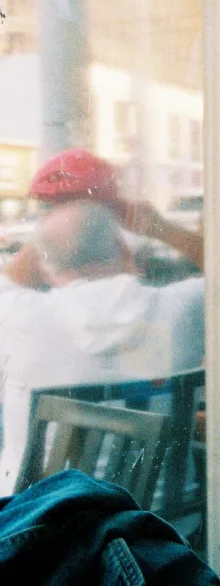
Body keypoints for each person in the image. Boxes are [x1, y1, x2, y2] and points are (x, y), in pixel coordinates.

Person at [0, 200, 205, 495]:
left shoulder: (18, 316)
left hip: (39, 520)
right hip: (162, 520)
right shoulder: (183, 308)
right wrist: (163, 229)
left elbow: (11, 278)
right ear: (124, 250)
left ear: (42, 267)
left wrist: (47, 238)